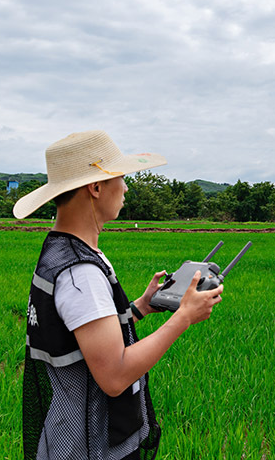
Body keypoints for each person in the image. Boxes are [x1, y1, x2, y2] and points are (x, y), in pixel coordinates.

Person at [15, 130, 222, 460]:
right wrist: (183, 318)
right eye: (120, 178)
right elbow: (114, 376)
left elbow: (84, 335)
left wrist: (140, 307)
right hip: (90, 446)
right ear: (96, 188)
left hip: (73, 432)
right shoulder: (80, 272)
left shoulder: (67, 251)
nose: (125, 188)